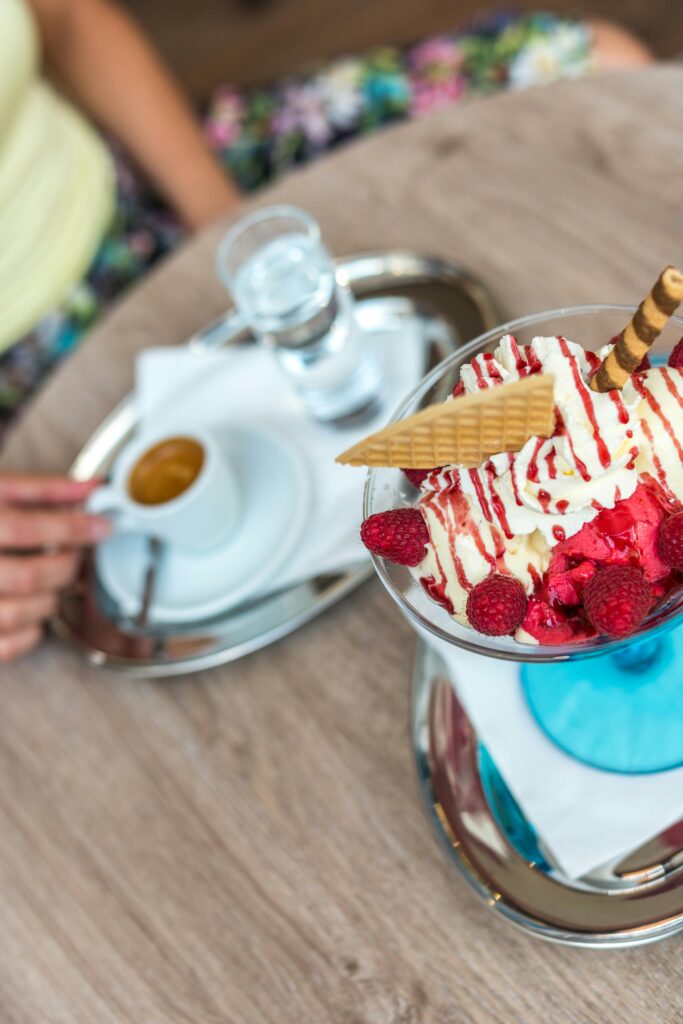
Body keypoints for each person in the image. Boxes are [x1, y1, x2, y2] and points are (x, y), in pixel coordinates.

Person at [0, 0, 653, 661]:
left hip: (136, 167)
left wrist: (226, 225)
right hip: (25, 368)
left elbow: (66, 17)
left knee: (593, 57)